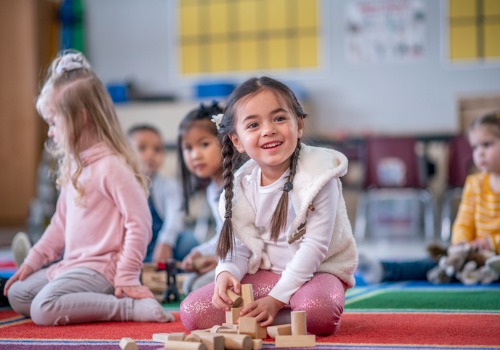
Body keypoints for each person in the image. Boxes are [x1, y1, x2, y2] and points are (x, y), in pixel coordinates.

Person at [3, 50, 173, 326]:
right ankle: (84, 300)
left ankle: (128, 308)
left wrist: (127, 275)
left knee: (43, 309)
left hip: (103, 270)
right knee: (19, 295)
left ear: (79, 119)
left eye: (53, 122)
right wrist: (31, 263)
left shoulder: (112, 167)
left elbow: (139, 223)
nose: (50, 132)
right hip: (73, 265)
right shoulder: (74, 166)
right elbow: (59, 226)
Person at [180, 76, 358, 336]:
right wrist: (225, 272)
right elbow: (239, 246)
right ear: (237, 140)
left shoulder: (319, 175)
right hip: (267, 275)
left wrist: (276, 300)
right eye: (253, 124)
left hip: (318, 273)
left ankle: (276, 314)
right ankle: (283, 318)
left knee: (317, 310)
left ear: (298, 125)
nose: (268, 130)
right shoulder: (242, 185)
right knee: (193, 312)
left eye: (279, 119)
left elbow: (315, 246)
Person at [358, 111, 500, 284]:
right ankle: (384, 269)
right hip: (475, 253)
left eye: (487, 145)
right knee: (434, 261)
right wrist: (461, 242)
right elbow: (464, 221)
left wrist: (491, 243)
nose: (480, 153)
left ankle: (486, 271)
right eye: (475, 147)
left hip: (493, 252)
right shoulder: (474, 183)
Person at [127, 124, 197, 263]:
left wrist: (166, 242)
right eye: (142, 148)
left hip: (162, 244)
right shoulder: (123, 185)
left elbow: (175, 217)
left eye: (157, 149)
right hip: (131, 247)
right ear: (126, 153)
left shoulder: (169, 185)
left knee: (188, 241)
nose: (151, 154)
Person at [176, 101, 225, 295]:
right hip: (232, 258)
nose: (195, 155)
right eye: (188, 148)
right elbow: (223, 235)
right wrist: (201, 252)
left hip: (251, 261)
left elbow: (245, 241)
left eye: (204, 144)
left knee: (197, 287)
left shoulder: (239, 184)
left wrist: (219, 260)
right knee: (189, 284)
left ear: (226, 141)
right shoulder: (214, 189)